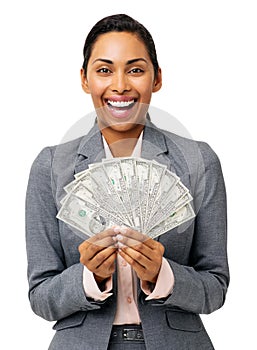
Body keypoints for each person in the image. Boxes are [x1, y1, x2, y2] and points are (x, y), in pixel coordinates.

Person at [25, 14, 229, 350]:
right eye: (104, 70)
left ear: (157, 77)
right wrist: (89, 277)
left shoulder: (198, 162)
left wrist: (162, 274)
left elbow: (216, 287)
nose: (120, 85)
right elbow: (40, 295)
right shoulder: (50, 167)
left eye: (135, 69)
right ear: (85, 79)